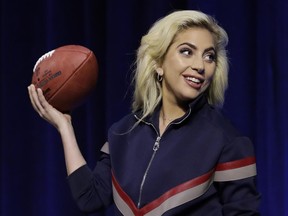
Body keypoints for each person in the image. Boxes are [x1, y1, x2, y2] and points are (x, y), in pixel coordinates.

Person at [28, 10, 261, 215]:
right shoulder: (122, 132)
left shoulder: (229, 142)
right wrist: (65, 127)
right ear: (159, 63)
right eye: (187, 52)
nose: (200, 65)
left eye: (209, 56)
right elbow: (90, 198)